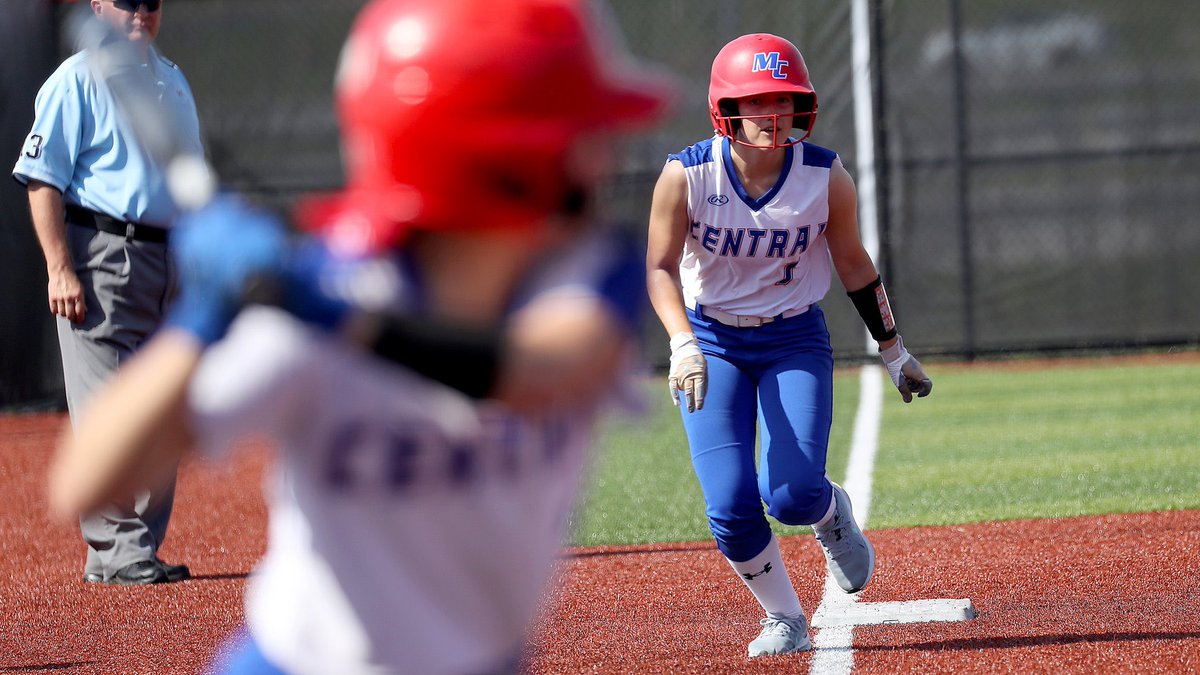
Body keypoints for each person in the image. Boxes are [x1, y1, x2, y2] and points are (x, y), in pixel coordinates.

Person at [48, 0, 674, 672]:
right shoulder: (320, 302)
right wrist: (200, 325)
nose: (601, 159)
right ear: (491, 161)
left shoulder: (582, 272)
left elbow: (537, 368)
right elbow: (84, 481)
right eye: (575, 137)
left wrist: (326, 311)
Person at [646, 33, 933, 658]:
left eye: (784, 100)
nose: (772, 114)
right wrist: (681, 343)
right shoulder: (686, 174)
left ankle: (832, 515)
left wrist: (893, 351)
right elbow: (660, 267)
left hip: (792, 338)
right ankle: (784, 616)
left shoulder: (822, 174)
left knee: (792, 493)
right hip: (713, 341)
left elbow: (855, 266)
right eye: (757, 101)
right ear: (726, 108)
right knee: (728, 501)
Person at [13, 0, 199, 586]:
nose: (140, 11)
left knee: (163, 406)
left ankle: (131, 549)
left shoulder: (171, 80)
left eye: (151, 1)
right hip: (102, 252)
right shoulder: (77, 76)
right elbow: (43, 178)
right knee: (104, 409)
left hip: (166, 257)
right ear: (98, 6)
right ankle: (120, 553)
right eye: (126, 1)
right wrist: (58, 268)